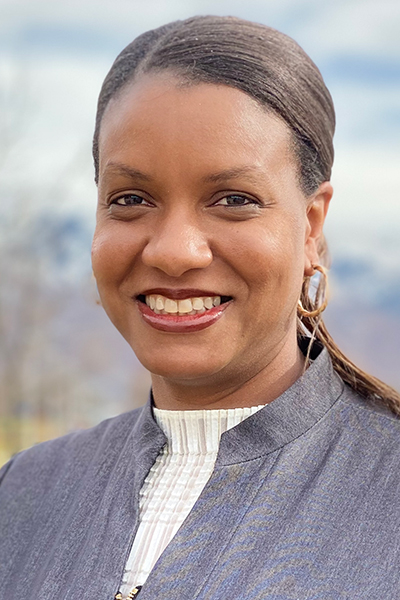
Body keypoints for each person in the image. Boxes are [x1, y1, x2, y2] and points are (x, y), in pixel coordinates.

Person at [1, 15, 400, 600]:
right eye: (130, 199)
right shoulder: (24, 494)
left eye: (234, 199)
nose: (173, 251)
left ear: (311, 229)